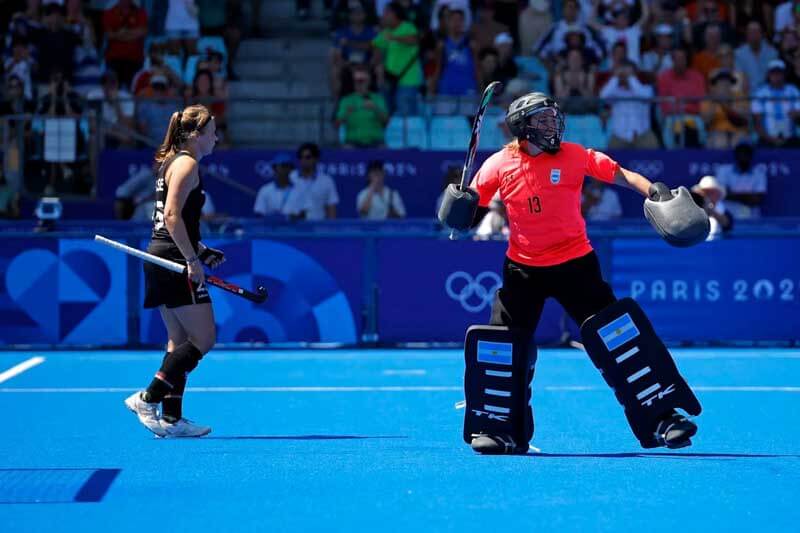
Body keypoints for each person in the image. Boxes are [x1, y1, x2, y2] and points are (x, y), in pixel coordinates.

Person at [438, 92, 704, 454]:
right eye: (543, 120)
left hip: (576, 264)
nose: (553, 126)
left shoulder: (575, 155)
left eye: (553, 118)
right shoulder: (499, 164)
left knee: (620, 337)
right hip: (523, 268)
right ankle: (498, 429)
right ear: (522, 126)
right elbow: (471, 213)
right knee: (502, 346)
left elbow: (621, 174)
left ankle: (663, 418)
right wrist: (459, 204)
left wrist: (655, 191)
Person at [124, 104, 223, 438]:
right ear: (196, 134)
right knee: (204, 338)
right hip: (172, 261)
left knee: (178, 340)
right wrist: (192, 262)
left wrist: (200, 250)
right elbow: (170, 217)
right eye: (212, 131)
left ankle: (171, 418)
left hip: (165, 256)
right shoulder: (187, 163)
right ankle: (147, 398)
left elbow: (174, 222)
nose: (216, 137)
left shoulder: (175, 161)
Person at [335, 65, 388, 147]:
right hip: (352, 142)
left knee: (383, 150)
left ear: (368, 81)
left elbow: (386, 122)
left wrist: (375, 109)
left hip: (375, 141)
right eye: (356, 81)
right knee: (347, 150)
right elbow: (337, 124)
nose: (359, 83)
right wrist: (346, 113)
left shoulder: (378, 99)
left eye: (362, 80)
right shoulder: (346, 100)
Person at [290, 142, 339, 220]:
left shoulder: (326, 181)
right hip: (294, 228)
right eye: (301, 157)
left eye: (307, 157)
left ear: (316, 159)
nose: (303, 160)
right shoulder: (291, 178)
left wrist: (330, 229)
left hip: (318, 229)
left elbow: (331, 209)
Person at [253, 152, 308, 220]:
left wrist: (289, 218)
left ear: (291, 170)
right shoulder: (265, 190)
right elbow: (259, 214)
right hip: (270, 229)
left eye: (287, 167)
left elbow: (304, 215)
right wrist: (271, 218)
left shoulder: (300, 190)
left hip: (293, 229)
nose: (284, 170)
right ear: (274, 168)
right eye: (282, 166)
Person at [690, 174, 732, 240]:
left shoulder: (724, 209)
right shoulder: (691, 209)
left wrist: (711, 211)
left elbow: (727, 224)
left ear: (718, 194)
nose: (708, 195)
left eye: (711, 192)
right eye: (705, 192)